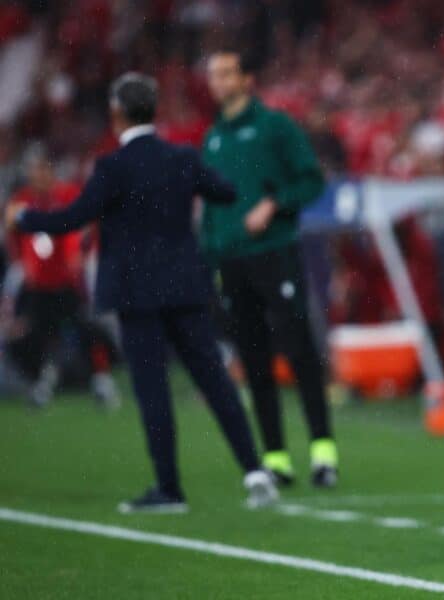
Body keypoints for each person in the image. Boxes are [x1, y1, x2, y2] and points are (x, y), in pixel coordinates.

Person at [6, 73, 278, 514]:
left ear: (117, 113)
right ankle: (254, 470)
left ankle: (169, 489)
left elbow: (72, 217)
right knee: (214, 379)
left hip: (136, 292)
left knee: (153, 390)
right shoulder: (181, 158)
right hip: (185, 286)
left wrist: (25, 219)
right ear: (154, 110)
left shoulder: (112, 167)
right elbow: (226, 192)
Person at [202, 49, 338, 488]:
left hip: (275, 252)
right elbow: (210, 208)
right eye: (213, 75)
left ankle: (323, 451)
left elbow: (311, 179)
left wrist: (274, 203)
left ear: (247, 78)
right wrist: (209, 256)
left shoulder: (276, 126)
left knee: (299, 350)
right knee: (254, 360)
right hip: (232, 261)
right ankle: (276, 456)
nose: (219, 82)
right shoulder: (213, 137)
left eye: (226, 73)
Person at [5, 143, 119, 409]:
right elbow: (13, 236)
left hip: (71, 280)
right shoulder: (21, 200)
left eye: (42, 168)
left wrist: (82, 254)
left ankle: (101, 380)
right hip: (39, 284)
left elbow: (90, 227)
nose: (38, 175)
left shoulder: (68, 194)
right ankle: (44, 381)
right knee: (37, 335)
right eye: (33, 169)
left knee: (88, 328)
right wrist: (22, 262)